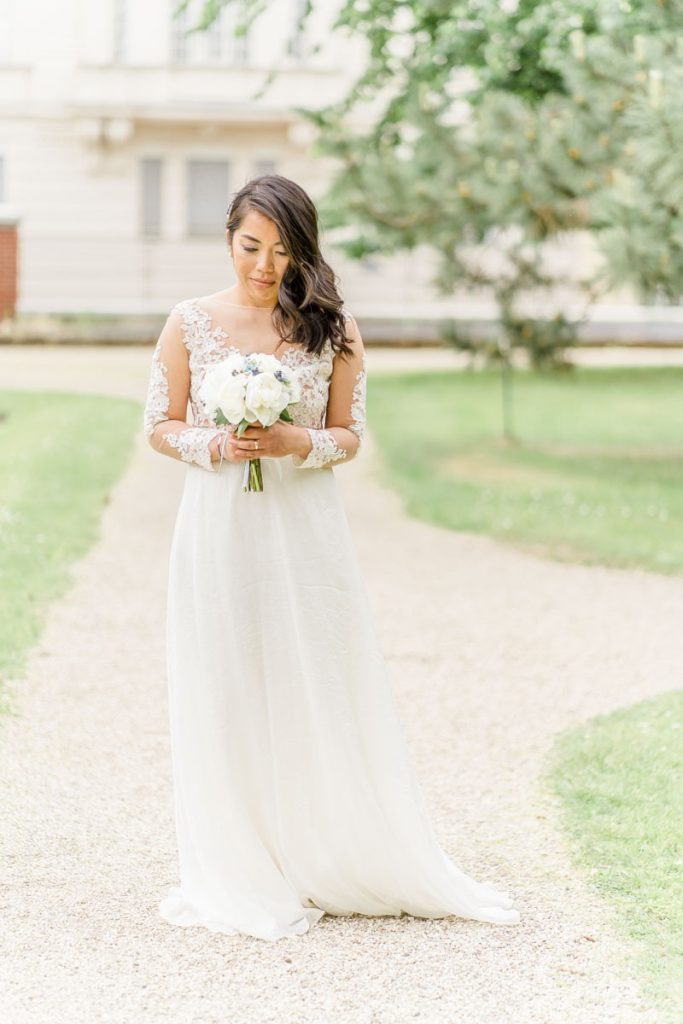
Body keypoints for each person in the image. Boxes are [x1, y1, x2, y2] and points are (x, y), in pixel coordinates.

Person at [143, 173, 521, 941]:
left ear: (303, 250)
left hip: (305, 530)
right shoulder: (188, 322)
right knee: (227, 677)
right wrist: (217, 442)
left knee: (313, 674)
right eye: (251, 247)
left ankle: (327, 845)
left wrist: (294, 442)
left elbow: (348, 436)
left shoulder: (333, 329)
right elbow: (160, 422)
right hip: (217, 524)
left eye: (282, 251)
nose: (264, 266)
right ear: (228, 239)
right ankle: (243, 859)